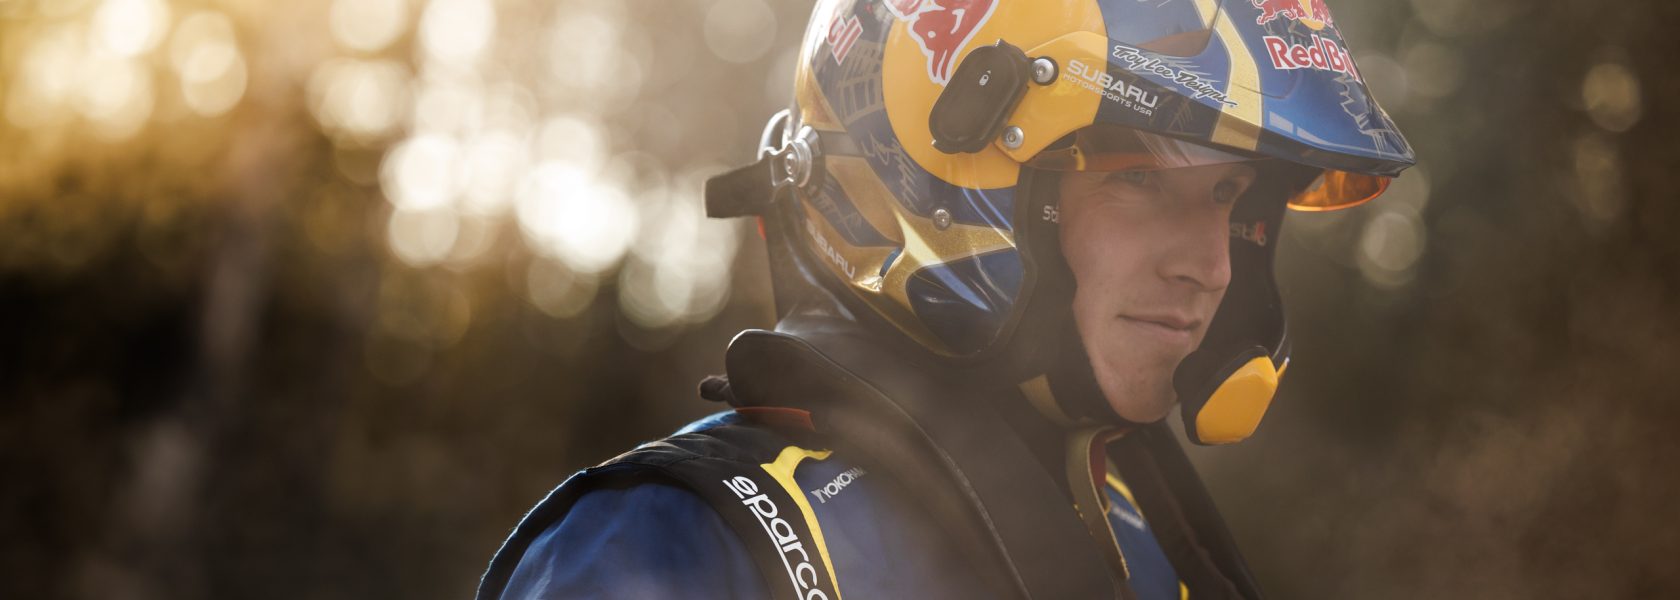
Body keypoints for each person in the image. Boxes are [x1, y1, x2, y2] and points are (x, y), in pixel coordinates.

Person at [478, 0, 1412, 597]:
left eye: (1230, 198)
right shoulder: (675, 542)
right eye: (1139, 180)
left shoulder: (1137, 512)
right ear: (945, 180)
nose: (1212, 266)